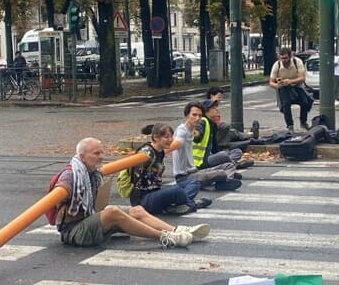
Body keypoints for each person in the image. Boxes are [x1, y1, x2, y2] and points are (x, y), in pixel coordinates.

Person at [56, 137, 207, 247]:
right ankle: (165, 237)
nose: (101, 157)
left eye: (102, 153)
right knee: (113, 212)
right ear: (82, 156)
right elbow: (59, 192)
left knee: (137, 210)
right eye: (96, 153)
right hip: (74, 231)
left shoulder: (92, 173)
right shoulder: (71, 175)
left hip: (89, 221)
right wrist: (64, 193)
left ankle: (175, 230)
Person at [126, 124, 205, 215]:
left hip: (157, 191)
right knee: (176, 190)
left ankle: (179, 204)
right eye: (166, 137)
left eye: (172, 136)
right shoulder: (146, 153)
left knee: (194, 182)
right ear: (156, 138)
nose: (170, 140)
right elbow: (134, 175)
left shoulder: (160, 152)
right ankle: (191, 205)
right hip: (144, 198)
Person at [173, 101, 239, 192]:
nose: (197, 118)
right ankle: (220, 181)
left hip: (196, 170)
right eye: (194, 115)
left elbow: (215, 147)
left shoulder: (202, 126)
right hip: (186, 176)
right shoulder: (184, 130)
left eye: (199, 115)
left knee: (229, 166)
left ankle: (224, 181)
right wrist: (162, 151)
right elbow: (178, 142)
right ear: (187, 115)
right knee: (221, 172)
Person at [269, 47, 312, 133]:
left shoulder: (297, 62)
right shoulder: (277, 65)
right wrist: (277, 85)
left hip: (296, 85)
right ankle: (290, 126)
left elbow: (302, 78)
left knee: (305, 102)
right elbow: (271, 82)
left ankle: (303, 122)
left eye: (286, 58)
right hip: (283, 88)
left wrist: (290, 81)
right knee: (286, 104)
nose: (284, 60)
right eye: (282, 58)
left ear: (290, 56)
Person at [200, 99, 253, 168]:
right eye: (213, 108)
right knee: (223, 155)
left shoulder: (213, 124)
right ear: (206, 111)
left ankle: (227, 164)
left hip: (212, 155)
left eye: (216, 107)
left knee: (237, 151)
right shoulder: (203, 123)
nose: (217, 110)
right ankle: (234, 165)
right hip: (203, 159)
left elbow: (215, 148)